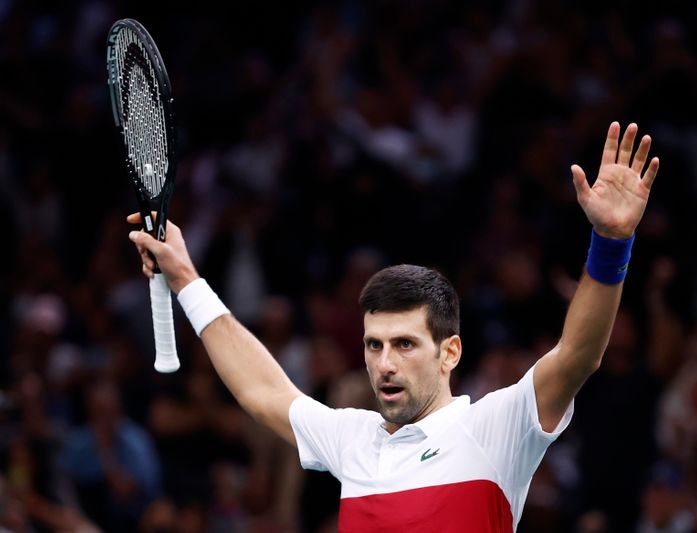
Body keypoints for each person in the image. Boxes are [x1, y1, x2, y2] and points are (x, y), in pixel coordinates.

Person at [127, 121, 659, 531]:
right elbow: (263, 388)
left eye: (404, 344)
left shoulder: (494, 428)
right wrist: (186, 278)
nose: (384, 363)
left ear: (450, 352)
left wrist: (611, 244)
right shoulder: (354, 441)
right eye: (373, 345)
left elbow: (578, 356)